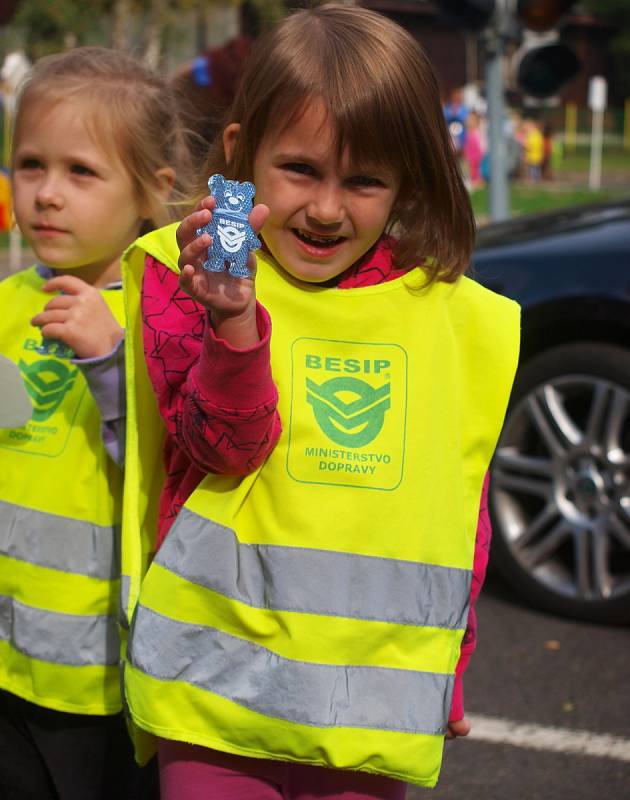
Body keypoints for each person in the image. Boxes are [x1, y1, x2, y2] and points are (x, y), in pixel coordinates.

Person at [121, 4, 520, 797]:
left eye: (365, 180)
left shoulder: (445, 314)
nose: (329, 209)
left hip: (368, 706)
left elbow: (450, 515)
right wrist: (234, 324)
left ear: (409, 177)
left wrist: (447, 657)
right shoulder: (187, 279)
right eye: (301, 170)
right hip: (212, 694)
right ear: (241, 155)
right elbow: (221, 450)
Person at [0, 46, 191, 799]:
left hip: (105, 685)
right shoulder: (11, 303)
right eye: (30, 165)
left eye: (81, 172)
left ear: (152, 191)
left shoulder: (167, 316)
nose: (47, 194)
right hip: (9, 661)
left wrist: (111, 358)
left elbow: (173, 464)